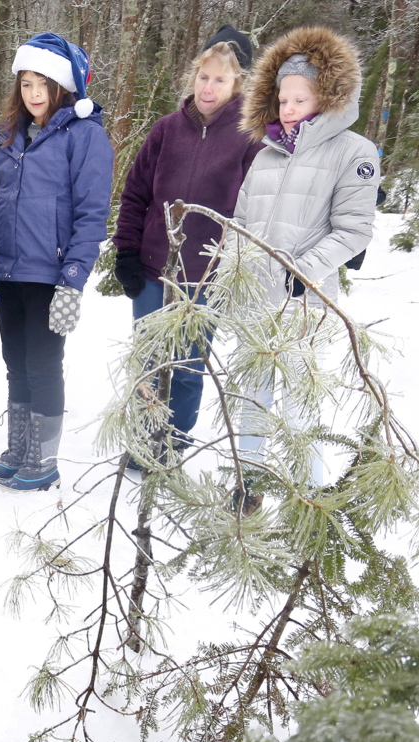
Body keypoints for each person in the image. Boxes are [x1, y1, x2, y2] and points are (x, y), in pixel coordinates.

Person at [230, 26, 380, 513]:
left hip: (303, 301)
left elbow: (353, 230)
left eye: (299, 99)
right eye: (282, 99)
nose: (288, 108)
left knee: (298, 403)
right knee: (251, 396)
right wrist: (231, 269)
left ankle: (305, 496)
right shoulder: (266, 154)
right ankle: (247, 485)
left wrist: (306, 271)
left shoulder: (353, 153)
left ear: (328, 97)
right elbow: (240, 219)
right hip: (255, 300)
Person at [113, 26, 262, 464]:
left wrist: (235, 268)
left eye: (220, 79)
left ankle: (172, 444)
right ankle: (143, 442)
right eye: (203, 76)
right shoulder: (165, 131)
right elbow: (135, 193)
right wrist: (125, 251)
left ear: (238, 83)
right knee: (148, 363)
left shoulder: (248, 139)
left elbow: (253, 209)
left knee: (187, 368)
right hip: (153, 272)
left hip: (206, 279)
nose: (208, 86)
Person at [0, 32, 113, 492]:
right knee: (15, 360)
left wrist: (73, 279)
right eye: (26, 83)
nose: (32, 94)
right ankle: (18, 449)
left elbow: (92, 214)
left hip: (50, 273)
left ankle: (44, 458)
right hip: (8, 270)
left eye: (42, 84)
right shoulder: (8, 135)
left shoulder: (84, 136)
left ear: (63, 87)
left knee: (42, 362)